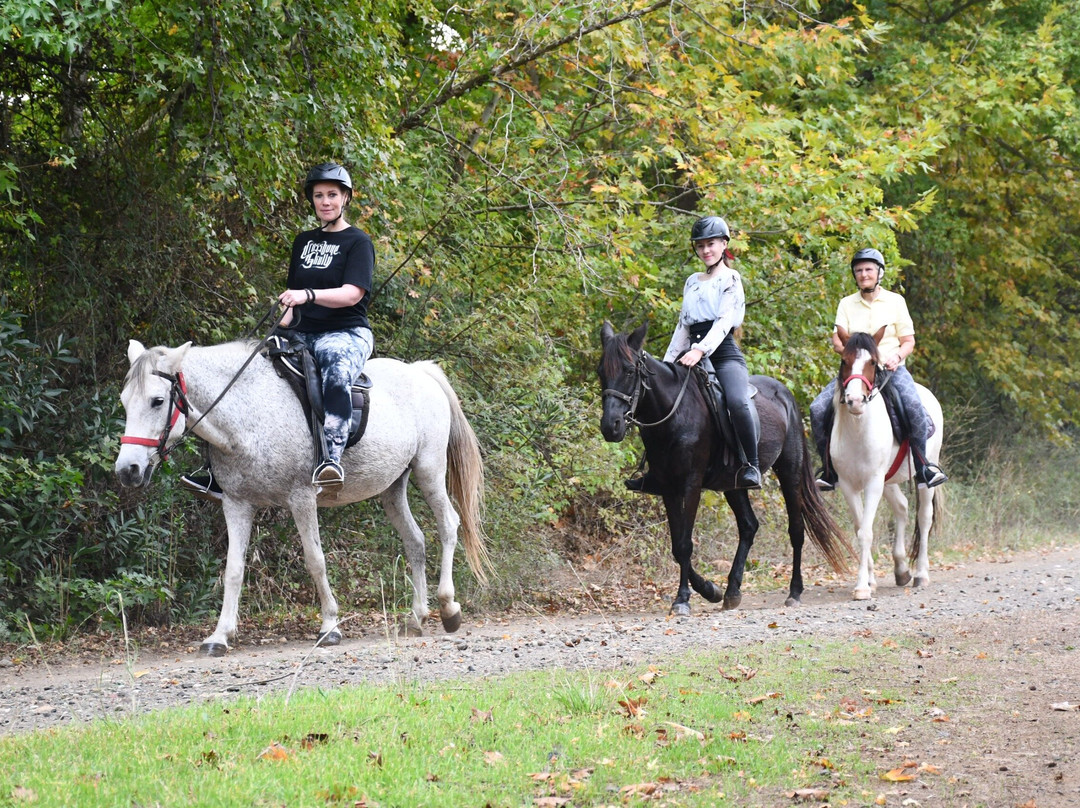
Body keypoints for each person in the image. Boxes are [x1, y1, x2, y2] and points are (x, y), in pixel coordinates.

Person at [180, 161, 375, 498]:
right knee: (247, 369)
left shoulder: (358, 242)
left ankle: (332, 458)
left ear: (345, 198)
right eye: (319, 196)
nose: (325, 201)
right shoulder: (303, 242)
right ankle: (217, 471)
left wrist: (309, 294)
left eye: (332, 195)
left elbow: (352, 294)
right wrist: (277, 327)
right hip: (301, 331)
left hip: (345, 332)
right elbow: (292, 298)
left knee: (334, 366)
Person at [627, 215, 761, 491]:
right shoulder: (692, 281)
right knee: (660, 399)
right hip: (690, 352)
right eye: (700, 246)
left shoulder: (731, 278)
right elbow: (683, 325)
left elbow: (724, 322)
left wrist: (700, 350)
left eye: (711, 244)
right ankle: (656, 470)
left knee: (736, 401)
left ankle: (751, 465)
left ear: (724, 244)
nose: (705, 251)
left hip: (722, 354)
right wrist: (665, 365)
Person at [809, 247, 947, 491]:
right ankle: (829, 471)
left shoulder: (896, 301)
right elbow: (837, 340)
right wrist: (853, 357)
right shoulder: (846, 304)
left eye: (868, 269)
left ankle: (924, 466)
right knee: (818, 408)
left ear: (879, 273)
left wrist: (896, 357)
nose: (863, 274)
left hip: (890, 370)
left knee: (914, 406)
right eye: (859, 270)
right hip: (855, 371)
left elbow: (909, 341)